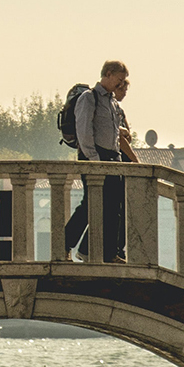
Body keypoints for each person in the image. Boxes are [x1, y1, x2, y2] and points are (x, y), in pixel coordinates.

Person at [65, 61, 129, 262]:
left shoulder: (111, 102)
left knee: (113, 208)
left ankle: (108, 253)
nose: (121, 85)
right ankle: (63, 244)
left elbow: (107, 130)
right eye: (119, 80)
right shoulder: (89, 98)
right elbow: (84, 131)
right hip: (95, 157)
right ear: (108, 74)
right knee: (90, 205)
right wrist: (94, 160)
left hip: (112, 157)